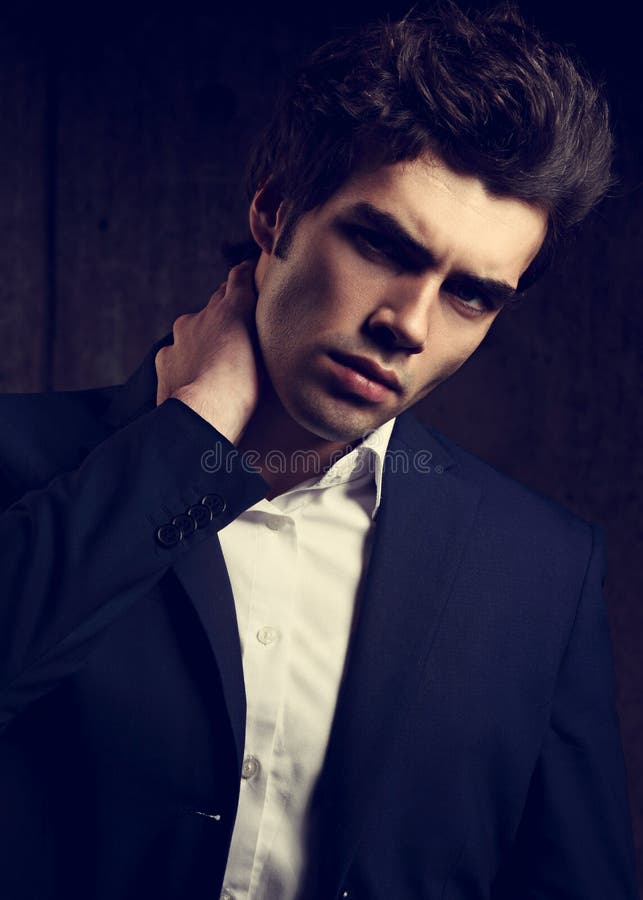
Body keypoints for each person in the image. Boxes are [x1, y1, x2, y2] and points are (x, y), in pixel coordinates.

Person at [0, 2, 639, 898]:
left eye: (471, 296)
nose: (406, 324)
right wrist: (193, 435)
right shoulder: (19, 461)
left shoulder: (539, 568)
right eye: (382, 244)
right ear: (274, 214)